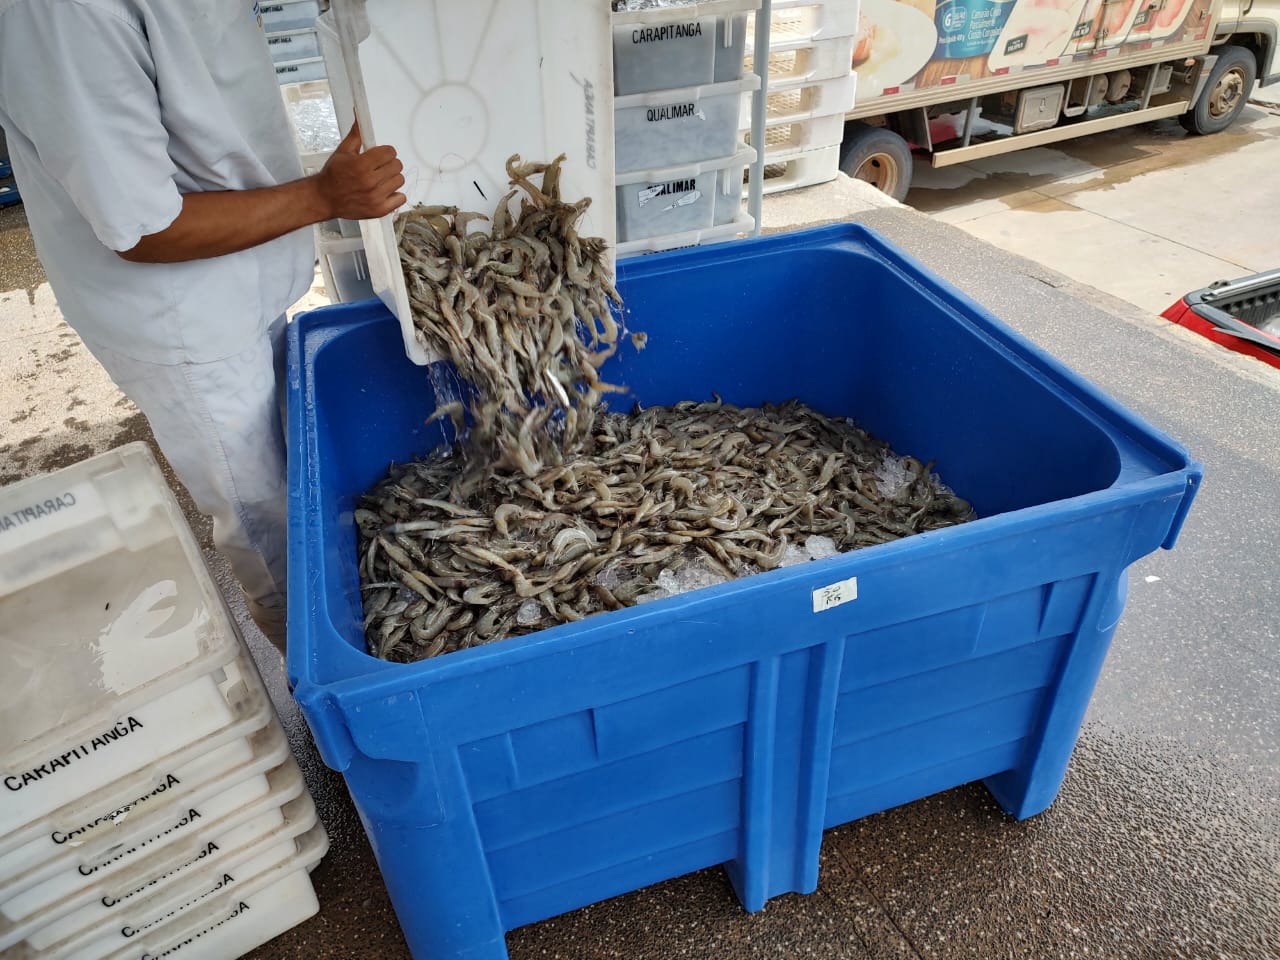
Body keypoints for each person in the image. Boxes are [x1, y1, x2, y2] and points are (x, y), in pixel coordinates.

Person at [0, 1, 405, 651]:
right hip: (181, 318)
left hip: (249, 269)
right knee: (264, 516)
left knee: (296, 469)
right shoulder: (64, 14)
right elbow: (144, 228)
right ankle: (312, 665)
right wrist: (324, 196)